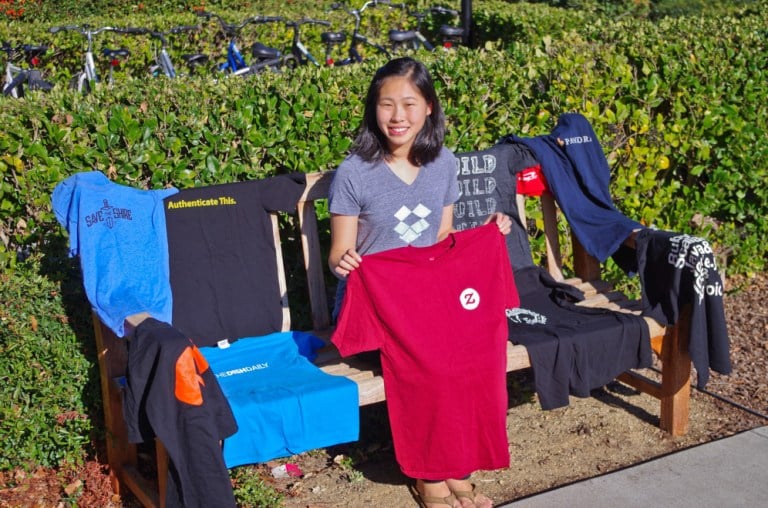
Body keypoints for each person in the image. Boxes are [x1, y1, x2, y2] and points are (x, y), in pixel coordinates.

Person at [328, 57, 512, 508]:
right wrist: (345, 262)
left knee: (475, 348)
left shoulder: (442, 164)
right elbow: (337, 255)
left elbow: (444, 242)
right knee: (433, 361)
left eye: (409, 104)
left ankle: (455, 463)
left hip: (430, 303)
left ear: (429, 107)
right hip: (377, 311)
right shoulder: (354, 172)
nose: (397, 116)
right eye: (386, 104)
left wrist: (489, 231)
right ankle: (430, 473)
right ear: (373, 109)